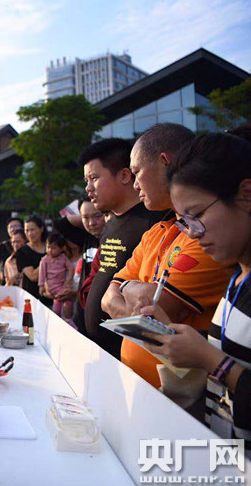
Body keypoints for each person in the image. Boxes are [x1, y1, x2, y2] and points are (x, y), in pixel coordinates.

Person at [100, 123, 231, 389]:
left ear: (164, 162)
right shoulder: (157, 232)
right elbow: (107, 298)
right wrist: (132, 295)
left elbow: (157, 310)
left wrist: (125, 290)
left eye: (137, 172)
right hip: (138, 386)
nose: (135, 184)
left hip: (179, 400)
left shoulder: (205, 238)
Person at [142, 131, 251, 443]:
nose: (192, 234)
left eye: (198, 215)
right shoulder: (238, 276)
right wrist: (175, 338)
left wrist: (211, 361)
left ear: (246, 194)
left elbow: (225, 364)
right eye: (185, 221)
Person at [79, 138, 165, 359]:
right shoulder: (111, 225)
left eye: (94, 178)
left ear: (125, 175)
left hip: (129, 353)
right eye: (86, 180)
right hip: (99, 347)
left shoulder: (154, 222)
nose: (88, 188)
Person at [54, 196, 106, 332]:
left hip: (103, 314)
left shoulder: (113, 239)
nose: (92, 223)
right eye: (86, 218)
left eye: (97, 216)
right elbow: (60, 224)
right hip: (82, 312)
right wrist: (86, 215)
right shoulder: (87, 238)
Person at [14, 215, 51, 306]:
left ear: (41, 229)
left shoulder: (52, 246)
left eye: (32, 230)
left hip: (53, 297)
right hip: (33, 300)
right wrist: (48, 258)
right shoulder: (22, 252)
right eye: (27, 230)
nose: (30, 233)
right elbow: (33, 276)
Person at [39, 233, 75, 326]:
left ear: (62, 248)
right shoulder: (45, 260)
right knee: (63, 303)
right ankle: (65, 322)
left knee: (61, 306)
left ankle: (65, 321)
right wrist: (41, 286)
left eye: (53, 248)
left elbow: (71, 268)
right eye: (48, 247)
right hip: (52, 287)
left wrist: (69, 280)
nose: (50, 250)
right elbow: (42, 273)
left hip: (61, 286)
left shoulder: (63, 258)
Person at [0, 217, 24, 283]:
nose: (13, 229)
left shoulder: (29, 245)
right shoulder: (4, 245)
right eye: (10, 227)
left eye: (16, 226)